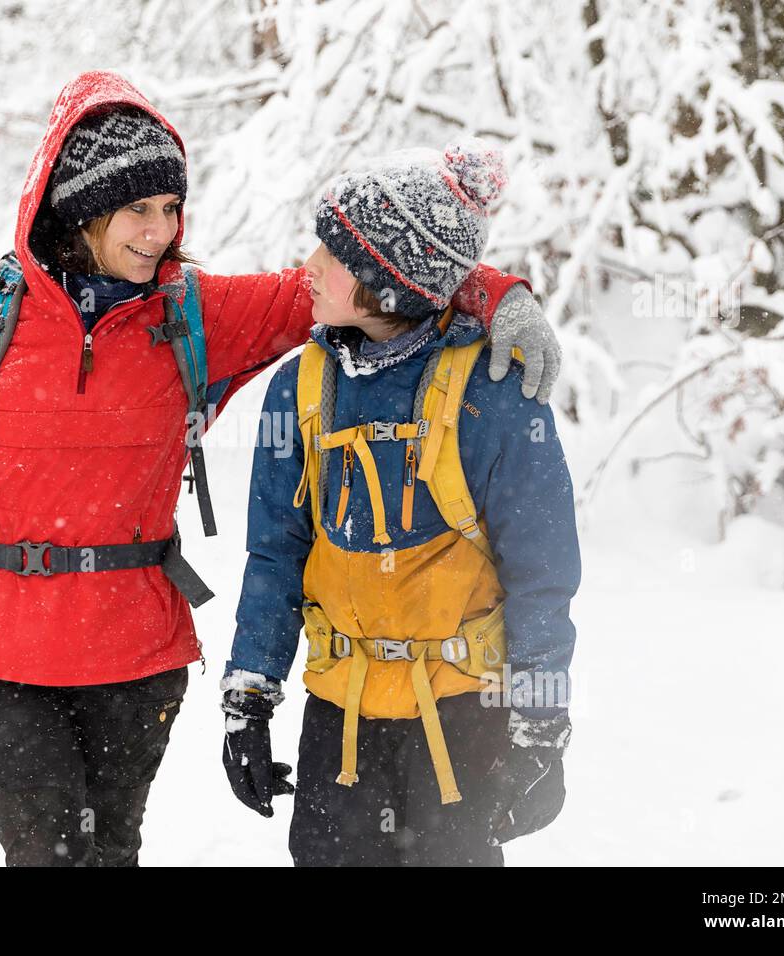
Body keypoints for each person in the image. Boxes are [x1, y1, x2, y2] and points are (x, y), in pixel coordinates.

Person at [0, 70, 561, 867]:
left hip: (133, 661)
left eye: (171, 209)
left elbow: (377, 277)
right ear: (79, 207)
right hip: (2, 658)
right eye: (138, 209)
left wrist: (495, 291)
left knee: (109, 853)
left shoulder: (189, 312)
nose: (159, 230)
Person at [221, 143, 581, 866]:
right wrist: (249, 696)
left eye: (334, 254)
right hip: (339, 724)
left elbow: (542, 577)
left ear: (391, 285)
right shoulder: (299, 388)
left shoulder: (495, 391)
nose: (310, 268)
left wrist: (541, 724)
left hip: (463, 721)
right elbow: (275, 555)